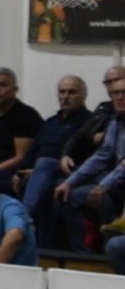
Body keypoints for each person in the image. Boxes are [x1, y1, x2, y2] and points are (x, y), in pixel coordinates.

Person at [12, 75, 89, 248]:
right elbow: (33, 150)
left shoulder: (89, 121)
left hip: (70, 170)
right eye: (62, 92)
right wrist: (21, 170)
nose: (66, 96)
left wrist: (36, 170)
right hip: (41, 173)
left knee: (45, 164)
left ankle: (22, 217)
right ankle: (38, 247)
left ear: (83, 96)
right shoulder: (50, 122)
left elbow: (84, 154)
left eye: (72, 92)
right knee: (33, 179)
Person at [55, 74, 125, 252]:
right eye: (116, 93)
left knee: (101, 197)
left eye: (124, 93)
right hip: (116, 182)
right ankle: (82, 254)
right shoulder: (116, 121)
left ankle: (113, 250)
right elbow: (102, 156)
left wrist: (103, 186)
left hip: (119, 183)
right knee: (67, 194)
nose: (120, 97)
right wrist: (70, 182)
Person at [0, 67, 42, 191]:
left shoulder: (25, 114)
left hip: (12, 172)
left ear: (15, 90)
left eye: (3, 85)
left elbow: (20, 157)